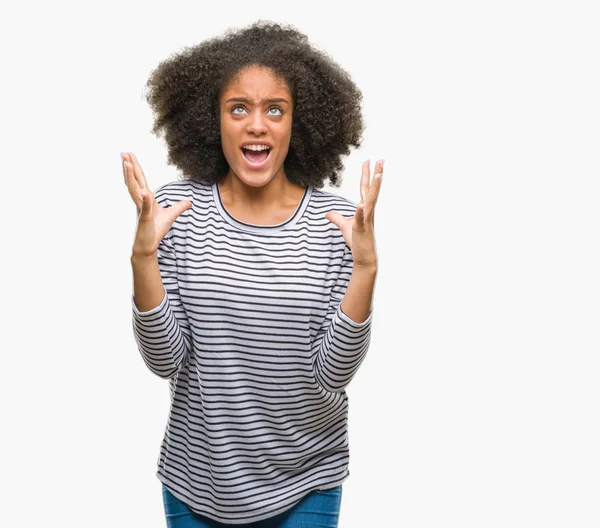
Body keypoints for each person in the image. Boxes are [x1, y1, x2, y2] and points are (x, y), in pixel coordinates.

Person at [123, 20, 383, 527]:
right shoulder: (175, 211)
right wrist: (143, 260)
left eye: (275, 110)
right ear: (212, 119)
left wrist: (366, 269)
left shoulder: (338, 225)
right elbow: (166, 361)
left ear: (297, 123)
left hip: (307, 479)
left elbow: (333, 374)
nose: (257, 125)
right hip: (197, 482)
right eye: (238, 108)